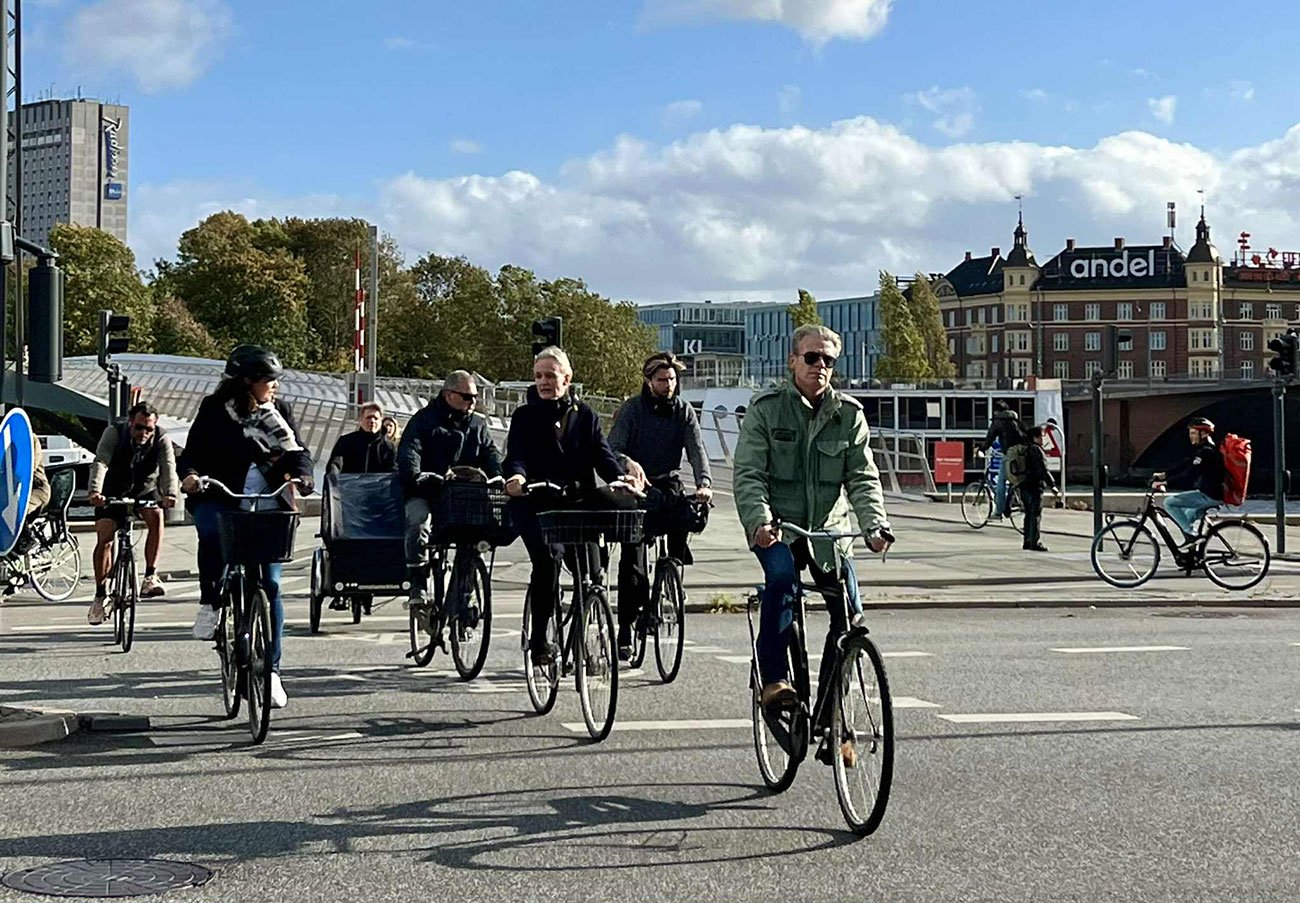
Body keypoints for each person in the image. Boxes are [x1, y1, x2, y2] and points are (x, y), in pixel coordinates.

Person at [733, 324, 892, 711]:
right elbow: (749, 474)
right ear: (793, 361)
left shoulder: (848, 415)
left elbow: (862, 476)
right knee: (782, 581)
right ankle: (774, 680)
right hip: (779, 528)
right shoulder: (767, 409)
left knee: (849, 613)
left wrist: (875, 524)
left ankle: (830, 713)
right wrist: (760, 521)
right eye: (811, 357)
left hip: (829, 530)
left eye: (828, 360)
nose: (819, 366)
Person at [178, 345, 314, 709]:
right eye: (269, 379)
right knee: (210, 532)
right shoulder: (214, 410)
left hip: (268, 500)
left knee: (270, 585)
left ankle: (271, 670)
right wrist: (190, 475)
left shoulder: (279, 413)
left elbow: (299, 451)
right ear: (246, 382)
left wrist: (302, 476)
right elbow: (191, 453)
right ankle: (210, 602)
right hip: (222, 496)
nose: (275, 386)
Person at [504, 347, 636, 666]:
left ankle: (583, 636)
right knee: (547, 562)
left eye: (550, 375)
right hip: (537, 503)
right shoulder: (524, 416)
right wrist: (517, 477)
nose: (543, 382)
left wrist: (619, 478)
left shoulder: (585, 415)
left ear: (567, 378)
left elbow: (602, 455)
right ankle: (539, 642)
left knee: (593, 573)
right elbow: (516, 455)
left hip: (576, 504)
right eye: (538, 376)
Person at [607, 351, 712, 660]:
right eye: (662, 380)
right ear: (648, 381)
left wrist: (704, 483)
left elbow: (696, 449)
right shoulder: (633, 410)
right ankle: (626, 627)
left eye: (673, 380)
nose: (669, 386)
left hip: (668, 481)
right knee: (633, 561)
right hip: (638, 486)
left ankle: (671, 579)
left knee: (685, 518)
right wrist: (628, 464)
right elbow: (613, 448)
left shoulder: (683, 411)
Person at [397, 370, 502, 608]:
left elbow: (490, 452)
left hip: (463, 495)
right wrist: (415, 475)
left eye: (475, 397)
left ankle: (464, 595)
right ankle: (418, 582)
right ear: (448, 394)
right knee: (418, 521)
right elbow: (409, 450)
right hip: (428, 490)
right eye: (466, 396)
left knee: (477, 535)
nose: (473, 402)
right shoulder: (423, 420)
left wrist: (499, 476)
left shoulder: (477, 424)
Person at [85, 402, 179, 624]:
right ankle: (100, 594)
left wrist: (170, 493)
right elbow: (101, 461)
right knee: (105, 536)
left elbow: (168, 466)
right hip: (112, 490)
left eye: (149, 429)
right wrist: (95, 491)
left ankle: (150, 575)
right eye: (139, 428)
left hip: (144, 488)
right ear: (130, 423)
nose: (143, 434)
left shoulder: (161, 438)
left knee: (156, 516)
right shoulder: (114, 433)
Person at [1153, 416, 1224, 543]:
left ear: (1203, 433)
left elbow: (1190, 475)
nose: (1190, 436)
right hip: (1213, 493)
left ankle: (1192, 534)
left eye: (1193, 433)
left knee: (1169, 502)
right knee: (1187, 516)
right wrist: (1165, 474)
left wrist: (1166, 482)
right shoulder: (1205, 450)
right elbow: (1186, 464)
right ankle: (1193, 554)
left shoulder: (1206, 452)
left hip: (1209, 495)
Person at [1018, 425, 1060, 553]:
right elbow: (1042, 469)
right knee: (1035, 514)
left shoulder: (1025, 449)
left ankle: (1027, 541)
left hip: (1023, 485)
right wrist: (1052, 484)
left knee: (1028, 514)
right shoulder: (1036, 450)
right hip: (1034, 485)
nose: (1043, 439)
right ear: (1035, 437)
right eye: (1042, 437)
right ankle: (1034, 541)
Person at [326, 402, 397, 475]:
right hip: (349, 485)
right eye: (368, 417)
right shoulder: (346, 441)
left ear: (381, 421)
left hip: (378, 486)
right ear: (360, 419)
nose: (372, 421)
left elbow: (393, 471)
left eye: (376, 418)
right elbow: (335, 465)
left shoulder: (389, 447)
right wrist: (333, 476)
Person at [982, 400, 1025, 518]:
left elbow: (989, 439)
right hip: (1022, 453)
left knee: (1001, 482)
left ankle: (998, 512)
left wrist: (981, 449)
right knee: (1018, 478)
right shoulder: (1015, 419)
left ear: (996, 411)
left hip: (1009, 455)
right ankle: (1022, 501)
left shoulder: (998, 421)